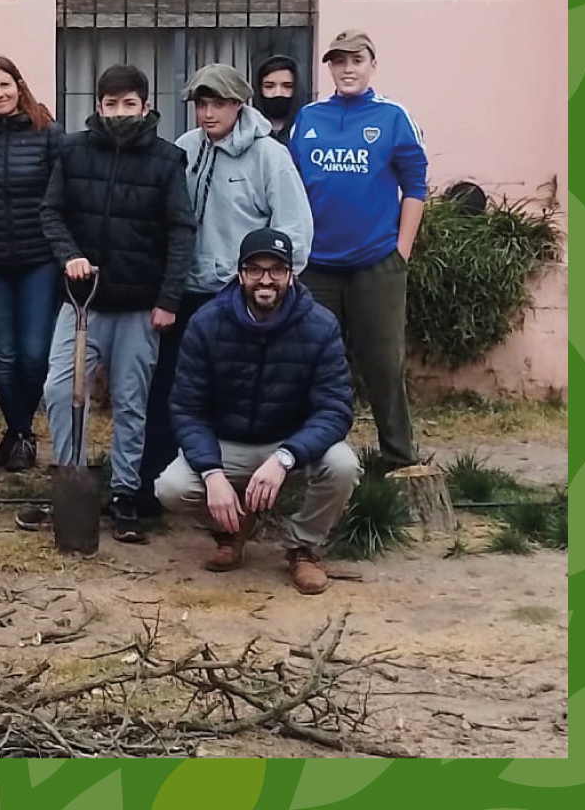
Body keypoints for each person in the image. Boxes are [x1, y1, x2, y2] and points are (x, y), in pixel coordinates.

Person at [18, 64, 195, 543]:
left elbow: (181, 232)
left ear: (145, 106)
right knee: (59, 390)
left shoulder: (166, 160)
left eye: (129, 104)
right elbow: (51, 212)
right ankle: (71, 480)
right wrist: (70, 255)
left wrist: (168, 298)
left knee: (131, 403)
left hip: (140, 306)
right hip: (82, 306)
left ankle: (124, 493)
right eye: (111, 104)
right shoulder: (74, 151)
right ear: (98, 107)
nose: (120, 112)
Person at [137, 64, 314, 521]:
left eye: (218, 103)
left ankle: (255, 492)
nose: (208, 113)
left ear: (239, 104)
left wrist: (268, 288)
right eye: (201, 104)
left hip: (239, 297)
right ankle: (153, 488)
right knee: (172, 392)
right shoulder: (184, 150)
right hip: (186, 292)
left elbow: (295, 229)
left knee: (236, 396)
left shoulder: (269, 157)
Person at [155, 229, 361, 595]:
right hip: (226, 444)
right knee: (171, 488)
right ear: (240, 275)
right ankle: (231, 529)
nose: (266, 279)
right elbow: (187, 408)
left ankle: (302, 546)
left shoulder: (321, 325)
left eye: (276, 270)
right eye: (255, 269)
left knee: (343, 465)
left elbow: (335, 408)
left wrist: (285, 456)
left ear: (291, 275)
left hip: (291, 444)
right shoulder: (206, 323)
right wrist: (212, 473)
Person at [289, 29, 427, 469]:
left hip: (376, 264)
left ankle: (399, 459)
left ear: (372, 64)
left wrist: (400, 252)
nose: (347, 68)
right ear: (328, 67)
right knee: (313, 365)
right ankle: (315, 459)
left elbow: (416, 186)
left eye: (357, 60)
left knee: (383, 365)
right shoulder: (308, 118)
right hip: (317, 267)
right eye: (339, 61)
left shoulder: (393, 117)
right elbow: (289, 186)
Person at [0, 56, 62, 473]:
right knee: (4, 356)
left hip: (38, 261)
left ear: (19, 86)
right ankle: (21, 433)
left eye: (4, 85)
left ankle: (17, 433)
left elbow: (64, 195)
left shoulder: (47, 133)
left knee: (33, 354)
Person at [254, 55, 303, 146]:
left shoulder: (309, 127)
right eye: (269, 86)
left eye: (287, 86)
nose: (278, 93)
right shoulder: (247, 129)